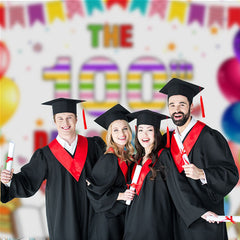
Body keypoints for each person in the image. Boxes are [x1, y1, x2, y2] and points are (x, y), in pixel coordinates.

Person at [0, 98, 106, 240]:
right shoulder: (45, 155)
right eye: (60, 119)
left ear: (76, 119)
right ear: (54, 121)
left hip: (94, 215)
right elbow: (27, 181)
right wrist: (8, 181)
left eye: (69, 118)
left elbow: (107, 173)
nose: (65, 123)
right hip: (62, 218)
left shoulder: (94, 146)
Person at [159, 78, 239, 240]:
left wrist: (203, 173)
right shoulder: (166, 140)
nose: (177, 109)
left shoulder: (208, 136)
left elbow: (231, 174)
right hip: (177, 218)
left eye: (182, 104)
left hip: (205, 220)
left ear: (190, 106)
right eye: (172, 105)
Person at [123, 110, 175, 240]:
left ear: (156, 133)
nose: (144, 135)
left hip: (155, 223)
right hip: (134, 223)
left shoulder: (164, 156)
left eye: (149, 130)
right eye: (140, 130)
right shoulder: (137, 160)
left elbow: (176, 187)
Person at [87, 104, 135, 240]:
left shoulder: (127, 156)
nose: (121, 134)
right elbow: (94, 192)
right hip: (107, 223)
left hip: (120, 217)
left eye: (125, 128)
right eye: (116, 130)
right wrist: (120, 195)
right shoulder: (109, 159)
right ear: (110, 135)